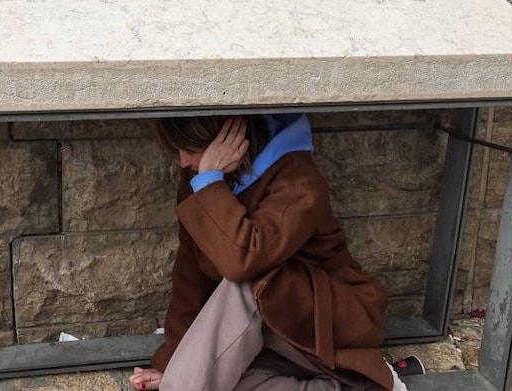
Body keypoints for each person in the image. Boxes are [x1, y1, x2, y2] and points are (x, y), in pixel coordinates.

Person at [129, 114, 398, 391]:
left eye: (190, 150)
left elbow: (242, 262)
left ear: (229, 141)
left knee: (247, 280)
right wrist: (175, 363)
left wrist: (210, 182)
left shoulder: (296, 180)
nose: (184, 162)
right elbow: (191, 276)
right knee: (218, 379)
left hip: (327, 328)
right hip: (271, 339)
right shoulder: (200, 177)